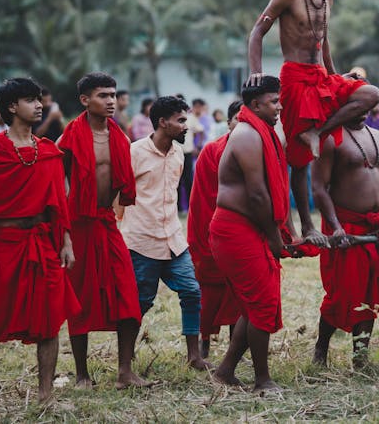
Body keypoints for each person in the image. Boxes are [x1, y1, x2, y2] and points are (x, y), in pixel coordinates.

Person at [0, 77, 79, 404]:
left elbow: (59, 204)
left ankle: (46, 393)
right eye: (31, 100)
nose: (39, 105)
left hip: (45, 242)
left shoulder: (48, 152)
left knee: (50, 318)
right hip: (8, 242)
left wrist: (66, 242)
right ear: (11, 107)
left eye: (39, 99)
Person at [246, 0, 379, 249]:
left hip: (321, 77)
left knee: (370, 94)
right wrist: (256, 72)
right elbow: (257, 32)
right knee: (298, 160)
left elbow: (324, 39)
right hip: (295, 79)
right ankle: (306, 226)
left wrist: (335, 76)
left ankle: (317, 132)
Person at [58, 72, 148, 389]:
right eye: (103, 95)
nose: (111, 101)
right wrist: (63, 235)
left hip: (106, 223)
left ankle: (125, 372)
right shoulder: (69, 138)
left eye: (113, 95)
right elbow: (56, 183)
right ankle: (82, 375)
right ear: (85, 100)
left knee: (128, 295)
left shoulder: (119, 137)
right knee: (80, 299)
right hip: (78, 224)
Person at [117, 95, 211, 371]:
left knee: (192, 292)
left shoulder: (179, 153)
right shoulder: (134, 152)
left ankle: (194, 357)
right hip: (141, 240)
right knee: (140, 303)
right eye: (181, 120)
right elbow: (118, 197)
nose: (186, 126)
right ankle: (125, 365)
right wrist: (123, 231)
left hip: (173, 239)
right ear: (162, 122)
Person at [210, 77, 287, 392]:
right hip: (236, 228)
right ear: (255, 104)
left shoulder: (258, 131)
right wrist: (275, 237)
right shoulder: (247, 135)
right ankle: (262, 380)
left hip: (248, 226)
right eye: (273, 102)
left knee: (253, 306)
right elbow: (256, 194)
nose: (279, 107)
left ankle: (225, 371)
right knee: (262, 303)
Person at [311, 107, 379, 366]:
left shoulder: (377, 135)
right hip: (346, 228)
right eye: (356, 105)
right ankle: (321, 348)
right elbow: (319, 187)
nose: (363, 110)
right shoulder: (330, 138)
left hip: (375, 226)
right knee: (342, 294)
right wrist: (336, 226)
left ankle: (360, 356)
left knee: (370, 293)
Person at [187, 101, 243, 360]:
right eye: (238, 119)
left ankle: (236, 346)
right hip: (214, 229)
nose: (243, 124)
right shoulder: (212, 150)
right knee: (209, 292)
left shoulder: (261, 148)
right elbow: (201, 198)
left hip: (245, 233)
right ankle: (204, 342)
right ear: (228, 123)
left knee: (239, 293)